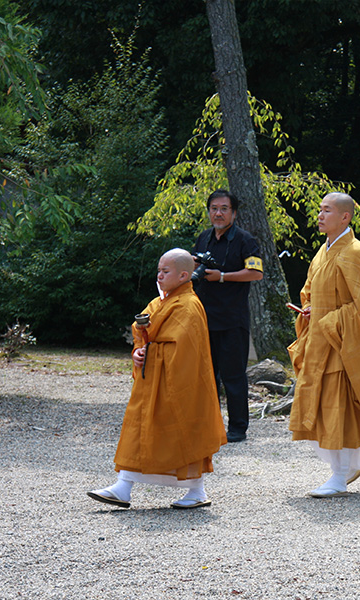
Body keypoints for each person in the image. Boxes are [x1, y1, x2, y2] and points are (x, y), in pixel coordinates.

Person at [288, 192, 360, 498]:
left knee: (337, 410)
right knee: (322, 407)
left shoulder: (355, 253)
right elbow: (311, 293)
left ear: (345, 217)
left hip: (342, 346)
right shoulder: (322, 252)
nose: (320, 215)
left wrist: (330, 319)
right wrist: (311, 310)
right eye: (319, 210)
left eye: (327, 210)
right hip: (319, 344)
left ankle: (339, 476)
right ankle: (352, 462)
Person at [87, 248, 226, 509]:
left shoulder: (188, 305)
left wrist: (150, 351)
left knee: (181, 433)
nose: (159, 276)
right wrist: (139, 350)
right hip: (152, 380)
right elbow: (142, 330)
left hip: (177, 384)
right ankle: (123, 486)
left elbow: (185, 350)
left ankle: (196, 491)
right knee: (138, 430)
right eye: (158, 271)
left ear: (184, 275)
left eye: (165, 271)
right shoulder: (160, 301)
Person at [191, 190, 264, 443]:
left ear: (234, 212)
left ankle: (237, 429)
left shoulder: (245, 239)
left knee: (234, 376)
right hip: (204, 318)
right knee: (206, 377)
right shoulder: (204, 238)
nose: (218, 213)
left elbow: (256, 273)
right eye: (214, 208)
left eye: (224, 208)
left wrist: (222, 276)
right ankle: (207, 426)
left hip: (233, 320)